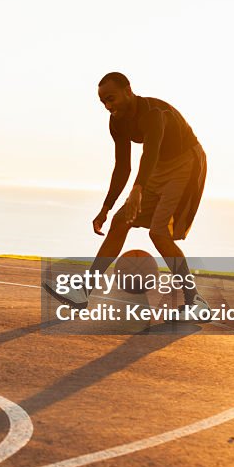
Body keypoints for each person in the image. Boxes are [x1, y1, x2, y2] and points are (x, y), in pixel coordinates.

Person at [90, 71, 210, 316]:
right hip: (157, 167)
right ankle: (84, 289)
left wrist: (138, 189)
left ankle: (196, 301)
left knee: (159, 232)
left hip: (185, 161)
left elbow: (151, 152)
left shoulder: (153, 113)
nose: (108, 106)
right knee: (120, 221)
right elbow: (123, 166)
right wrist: (106, 207)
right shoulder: (117, 122)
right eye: (103, 102)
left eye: (111, 98)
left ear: (128, 91)